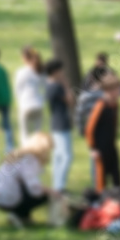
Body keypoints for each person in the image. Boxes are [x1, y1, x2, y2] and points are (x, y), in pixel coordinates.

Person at [0, 132, 57, 228]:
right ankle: (19, 214)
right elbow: (34, 188)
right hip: (8, 198)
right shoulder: (31, 159)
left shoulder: (19, 155)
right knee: (44, 196)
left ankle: (24, 217)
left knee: (24, 187)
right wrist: (50, 191)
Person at [85, 74, 120, 191]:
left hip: (111, 146)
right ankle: (101, 202)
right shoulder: (100, 106)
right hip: (100, 149)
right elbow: (89, 129)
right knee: (101, 180)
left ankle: (119, 199)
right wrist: (92, 148)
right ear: (109, 90)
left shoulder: (115, 105)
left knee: (117, 176)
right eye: (117, 89)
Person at [44, 59, 73, 191]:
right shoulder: (57, 86)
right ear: (55, 72)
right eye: (60, 70)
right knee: (66, 156)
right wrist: (66, 85)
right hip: (62, 123)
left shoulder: (48, 85)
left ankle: (57, 183)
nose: (63, 73)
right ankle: (60, 185)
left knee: (57, 155)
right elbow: (70, 101)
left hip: (55, 123)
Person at [14, 46, 45, 145]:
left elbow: (17, 89)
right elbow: (45, 88)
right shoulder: (40, 71)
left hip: (25, 104)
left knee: (25, 134)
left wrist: (19, 104)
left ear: (24, 57)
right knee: (37, 133)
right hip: (38, 104)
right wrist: (42, 100)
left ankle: (26, 154)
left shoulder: (21, 72)